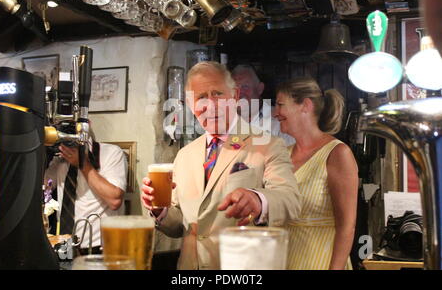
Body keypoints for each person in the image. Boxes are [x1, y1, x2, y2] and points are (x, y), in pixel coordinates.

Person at [141, 61, 302, 270]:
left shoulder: (268, 144)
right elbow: (179, 226)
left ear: (235, 96)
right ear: (190, 105)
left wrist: (258, 199)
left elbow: (291, 200)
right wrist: (159, 210)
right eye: (200, 98)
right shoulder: (184, 156)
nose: (210, 105)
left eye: (217, 94)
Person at [274, 77, 358, 270]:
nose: (275, 113)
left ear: (305, 105)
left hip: (320, 261)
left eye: (280, 105)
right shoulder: (283, 154)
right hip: (283, 260)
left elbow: (347, 226)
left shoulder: (337, 153)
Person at [44, 129, 127, 254]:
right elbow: (43, 188)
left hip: (100, 247)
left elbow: (114, 200)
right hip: (65, 246)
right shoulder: (60, 160)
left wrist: (82, 163)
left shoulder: (111, 153)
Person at [231, 64, 295, 146]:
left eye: (245, 86)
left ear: (259, 89)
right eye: (234, 88)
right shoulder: (225, 122)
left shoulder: (280, 121)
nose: (239, 93)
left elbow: (293, 155)